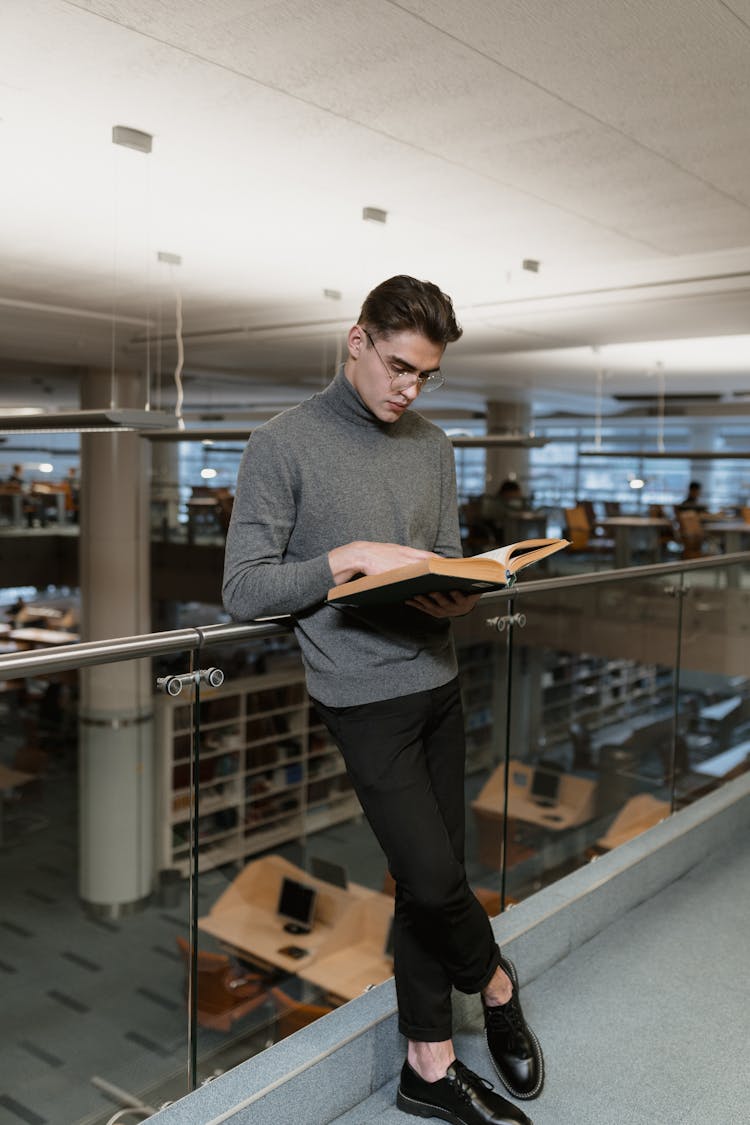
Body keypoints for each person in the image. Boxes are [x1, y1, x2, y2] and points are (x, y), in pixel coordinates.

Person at [223, 275, 543, 1125]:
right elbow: (245, 588)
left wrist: (457, 590)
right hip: (360, 696)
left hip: (438, 679)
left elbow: (436, 554)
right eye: (399, 366)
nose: (409, 387)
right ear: (356, 339)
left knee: (428, 883)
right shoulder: (281, 444)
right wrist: (346, 557)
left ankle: (428, 1066)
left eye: (425, 375)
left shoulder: (433, 446)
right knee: (436, 879)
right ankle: (499, 983)